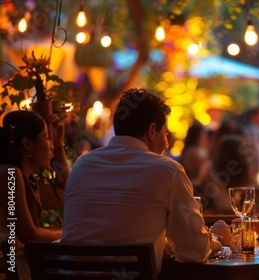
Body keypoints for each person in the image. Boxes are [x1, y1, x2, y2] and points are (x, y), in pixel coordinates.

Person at [61, 88, 212, 274]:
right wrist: (216, 241)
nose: (166, 143)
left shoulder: (82, 165)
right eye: (165, 134)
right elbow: (195, 252)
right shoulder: (168, 170)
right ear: (151, 131)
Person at [0, 110, 69, 280]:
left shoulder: (26, 179)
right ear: (27, 144)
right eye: (46, 137)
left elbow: (65, 192)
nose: (50, 144)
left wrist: (59, 145)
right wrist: (67, 232)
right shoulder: (8, 174)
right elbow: (29, 235)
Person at [196, 134, 256, 214]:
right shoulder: (245, 169)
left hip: (214, 216)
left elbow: (200, 186)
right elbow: (253, 187)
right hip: (240, 214)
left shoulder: (210, 168)